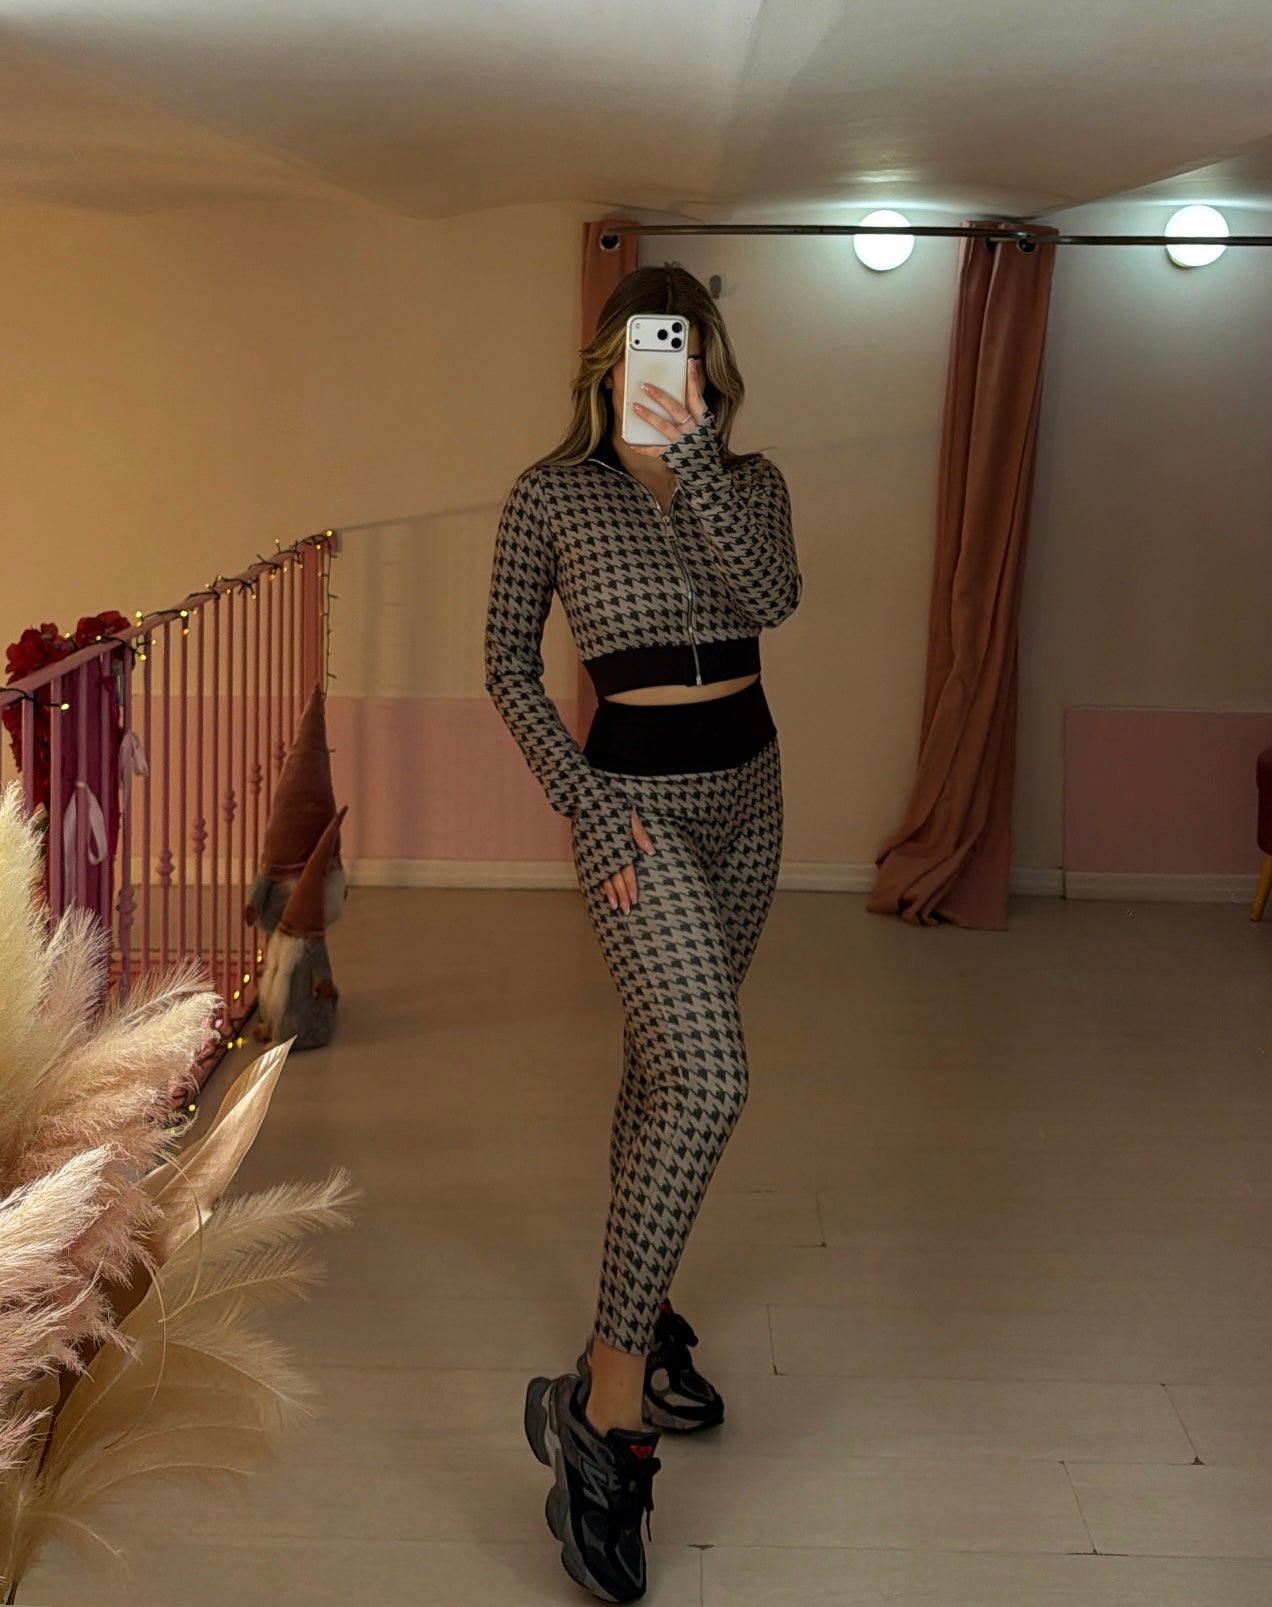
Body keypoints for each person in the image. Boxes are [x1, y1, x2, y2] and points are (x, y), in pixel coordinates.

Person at [483, 261, 801, 1603]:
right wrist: (583, 800)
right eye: (643, 350)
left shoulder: (752, 481)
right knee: (711, 1079)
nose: (665, 369)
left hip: (750, 801)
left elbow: (771, 598)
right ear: (606, 363)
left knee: (666, 1070)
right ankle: (603, 1410)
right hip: (636, 814)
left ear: (709, 367)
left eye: (687, 351)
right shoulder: (551, 495)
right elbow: (506, 660)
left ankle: (644, 1301)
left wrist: (697, 466)